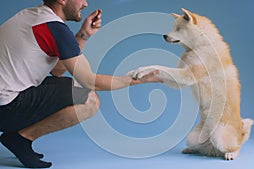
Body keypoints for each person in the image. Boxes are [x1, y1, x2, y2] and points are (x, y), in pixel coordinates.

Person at [0, 0, 162, 168]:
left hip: (7, 99)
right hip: (6, 108)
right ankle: (21, 138)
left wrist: (83, 35)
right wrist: (136, 80)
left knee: (72, 87)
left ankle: (17, 137)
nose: (85, 3)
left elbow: (57, 70)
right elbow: (90, 81)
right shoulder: (54, 28)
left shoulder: (31, 16)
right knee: (89, 100)